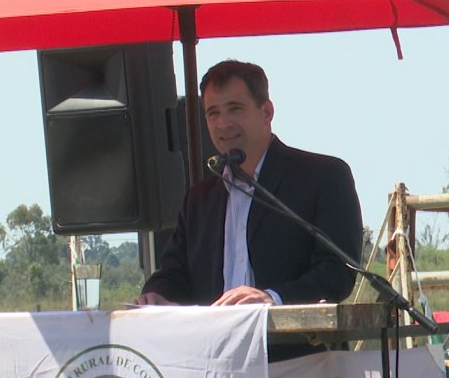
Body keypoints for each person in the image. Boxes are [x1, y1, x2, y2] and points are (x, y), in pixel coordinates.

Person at [136, 60, 363, 351]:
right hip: (218, 364)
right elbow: (175, 274)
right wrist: (156, 294)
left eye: (235, 109)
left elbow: (336, 273)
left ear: (266, 112)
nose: (223, 124)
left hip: (302, 363)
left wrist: (272, 298)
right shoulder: (199, 199)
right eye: (212, 113)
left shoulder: (322, 176)